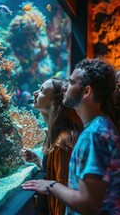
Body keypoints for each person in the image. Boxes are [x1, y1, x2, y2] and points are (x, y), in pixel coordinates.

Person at [22, 59, 120, 215]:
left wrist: (51, 185)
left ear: (87, 91)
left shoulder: (94, 135)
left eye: (71, 82)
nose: (65, 86)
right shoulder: (99, 127)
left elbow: (88, 204)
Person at [23, 77, 83, 215]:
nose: (35, 93)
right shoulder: (55, 134)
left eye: (42, 91)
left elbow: (63, 189)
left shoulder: (63, 142)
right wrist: (38, 160)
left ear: (56, 102)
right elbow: (56, 173)